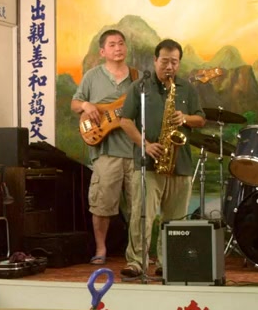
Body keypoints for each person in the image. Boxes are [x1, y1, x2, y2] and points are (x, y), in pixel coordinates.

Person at [117, 39, 206, 279]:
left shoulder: (187, 89)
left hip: (180, 164)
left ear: (179, 63)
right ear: (155, 60)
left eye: (174, 62)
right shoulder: (139, 87)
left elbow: (200, 119)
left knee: (175, 220)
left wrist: (184, 118)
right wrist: (145, 145)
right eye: (164, 61)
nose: (169, 66)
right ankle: (136, 262)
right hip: (148, 163)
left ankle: (169, 262)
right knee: (142, 216)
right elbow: (125, 120)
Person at [71, 29, 139, 266]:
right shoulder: (92, 76)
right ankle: (101, 248)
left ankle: (137, 253)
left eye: (121, 43)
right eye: (112, 44)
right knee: (102, 205)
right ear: (102, 51)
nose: (118, 48)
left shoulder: (138, 78)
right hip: (106, 152)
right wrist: (86, 105)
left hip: (134, 151)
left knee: (139, 206)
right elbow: (75, 103)